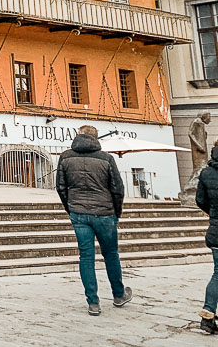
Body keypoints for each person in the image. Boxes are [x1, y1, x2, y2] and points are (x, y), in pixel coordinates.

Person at [56, 125, 132, 316]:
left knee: (86, 256)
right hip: (105, 212)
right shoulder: (106, 158)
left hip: (78, 212)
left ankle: (93, 302)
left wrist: (70, 207)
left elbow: (60, 187)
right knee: (111, 254)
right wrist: (117, 212)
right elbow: (117, 189)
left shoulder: (65, 157)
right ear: (97, 138)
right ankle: (118, 294)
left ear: (78, 136)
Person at [196, 144, 218, 334]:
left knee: (217, 274)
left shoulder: (206, 173)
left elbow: (200, 200)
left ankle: (208, 313)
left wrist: (213, 214)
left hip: (216, 230)